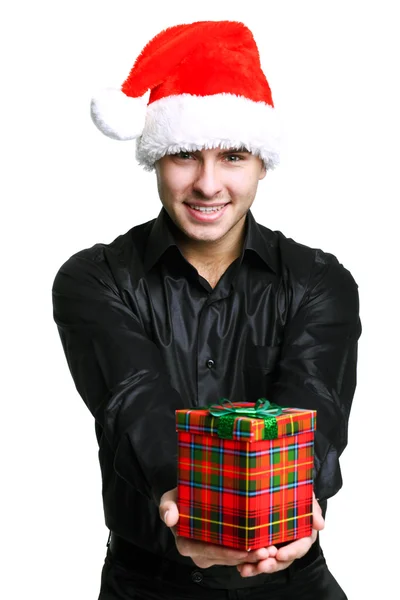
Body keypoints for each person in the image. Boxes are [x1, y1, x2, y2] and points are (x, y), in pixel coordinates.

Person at [52, 20, 361, 600]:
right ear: (155, 161)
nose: (208, 183)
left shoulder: (320, 282)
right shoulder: (94, 279)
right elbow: (132, 399)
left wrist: (295, 504)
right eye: (185, 155)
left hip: (291, 578)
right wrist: (181, 502)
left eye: (234, 157)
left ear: (262, 164)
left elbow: (316, 403)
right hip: (148, 584)